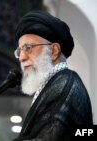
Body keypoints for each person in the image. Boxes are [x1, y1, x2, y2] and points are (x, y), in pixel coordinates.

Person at [12, 10, 93, 141]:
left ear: (54, 51)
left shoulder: (64, 86)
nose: (21, 57)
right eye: (19, 50)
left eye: (28, 48)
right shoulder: (55, 84)